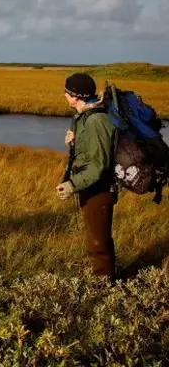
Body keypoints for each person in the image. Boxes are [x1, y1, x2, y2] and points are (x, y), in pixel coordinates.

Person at [56, 73, 118, 279]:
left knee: (98, 242)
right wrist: (75, 143)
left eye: (67, 91)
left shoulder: (95, 121)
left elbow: (98, 166)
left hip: (99, 189)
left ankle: (103, 286)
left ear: (76, 95)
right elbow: (90, 152)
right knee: (96, 237)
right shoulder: (85, 116)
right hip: (91, 187)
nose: (63, 95)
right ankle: (102, 276)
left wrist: (72, 185)